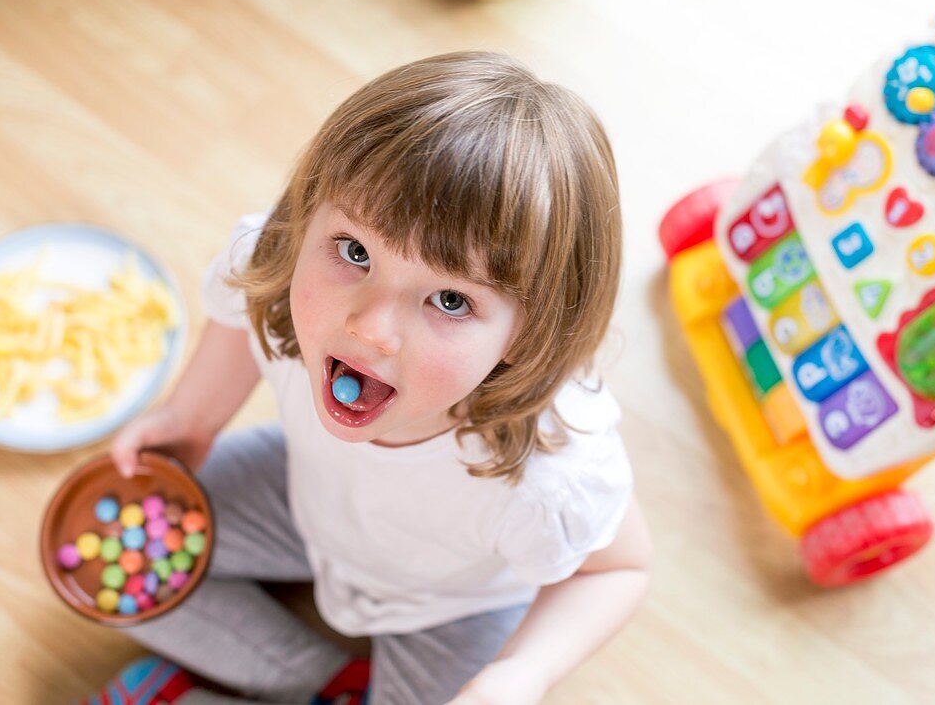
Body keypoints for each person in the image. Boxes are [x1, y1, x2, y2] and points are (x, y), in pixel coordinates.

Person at [87, 51, 652, 705]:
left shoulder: (548, 473)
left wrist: (524, 672)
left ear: (528, 336)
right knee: (104, 548)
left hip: (450, 608)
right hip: (303, 507)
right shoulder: (283, 267)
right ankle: (322, 682)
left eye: (449, 301)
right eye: (355, 252)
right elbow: (242, 316)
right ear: (307, 217)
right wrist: (190, 418)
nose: (370, 330)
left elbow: (621, 568)